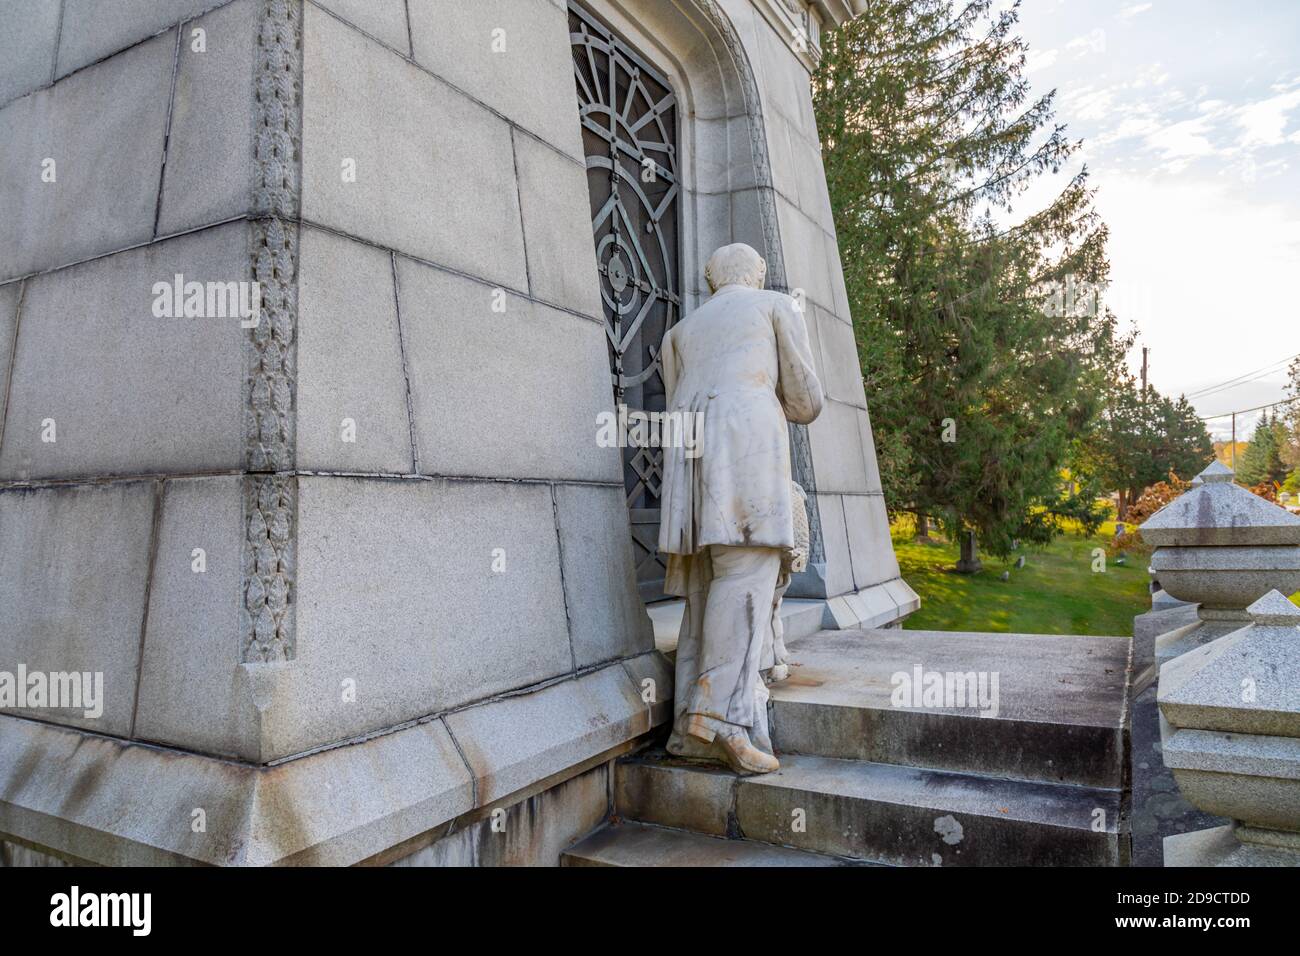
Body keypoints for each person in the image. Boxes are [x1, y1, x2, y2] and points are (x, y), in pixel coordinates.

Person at [657, 243, 824, 774]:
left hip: (690, 454)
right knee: (747, 576)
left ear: (711, 281)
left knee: (706, 587)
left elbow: (672, 396)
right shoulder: (775, 305)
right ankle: (721, 721)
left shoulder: (678, 333)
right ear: (758, 275)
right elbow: (805, 402)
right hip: (745, 445)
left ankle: (687, 729)